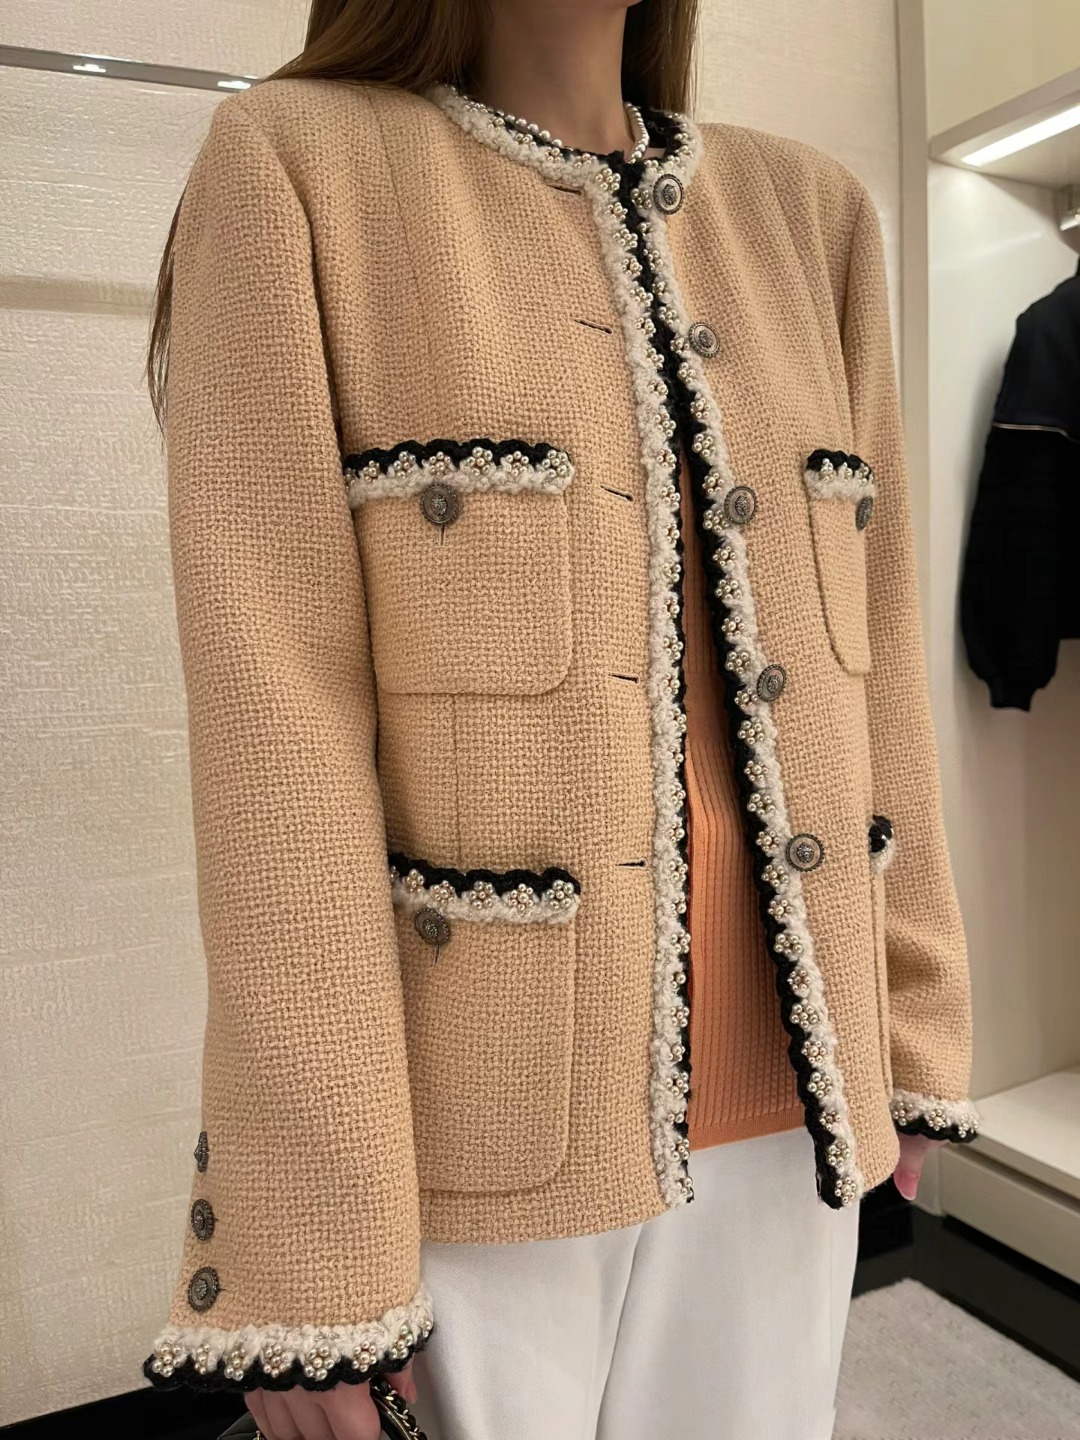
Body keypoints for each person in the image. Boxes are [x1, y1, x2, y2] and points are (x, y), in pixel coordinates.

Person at [142, 2, 979, 1437]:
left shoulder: (814, 218)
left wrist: (910, 1022)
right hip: (476, 1143)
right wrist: (308, 1238)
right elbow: (279, 751)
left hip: (795, 1105)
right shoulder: (297, 167)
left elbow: (880, 664)